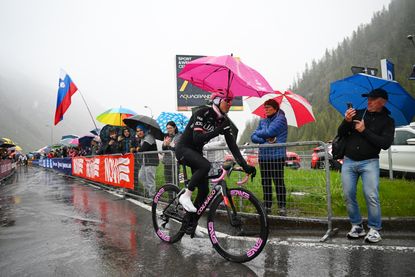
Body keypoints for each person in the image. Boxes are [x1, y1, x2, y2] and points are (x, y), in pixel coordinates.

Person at [175, 91, 256, 235]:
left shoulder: (223, 121)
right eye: (227, 100)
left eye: (231, 101)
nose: (230, 104)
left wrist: (245, 166)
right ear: (217, 101)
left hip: (196, 153)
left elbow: (233, 146)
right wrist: (218, 130)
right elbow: (197, 139)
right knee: (205, 165)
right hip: (183, 149)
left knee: (204, 191)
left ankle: (190, 222)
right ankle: (185, 196)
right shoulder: (202, 113)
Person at [338, 88, 394, 243]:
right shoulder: (358, 112)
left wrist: (364, 131)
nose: (369, 101)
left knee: (371, 195)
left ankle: (375, 229)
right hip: (349, 161)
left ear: (382, 102)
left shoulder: (388, 121)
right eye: (368, 98)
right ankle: (357, 226)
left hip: (370, 162)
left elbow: (385, 144)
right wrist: (347, 121)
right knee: (348, 195)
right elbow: (341, 133)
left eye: (373, 99)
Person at [251, 99, 288, 216]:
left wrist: (263, 135)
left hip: (277, 156)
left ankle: (282, 206)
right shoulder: (263, 121)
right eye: (264, 107)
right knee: (265, 182)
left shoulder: (281, 119)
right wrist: (265, 139)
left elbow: (270, 131)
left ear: (275, 108)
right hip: (264, 156)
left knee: (278, 181)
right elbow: (253, 136)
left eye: (268, 107)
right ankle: (267, 206)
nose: (265, 109)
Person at [135, 124, 159, 203]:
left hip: (151, 162)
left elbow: (142, 149)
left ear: (144, 130)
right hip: (145, 162)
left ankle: (152, 197)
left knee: (150, 180)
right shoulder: (142, 138)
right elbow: (139, 149)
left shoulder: (149, 137)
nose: (139, 133)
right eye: (137, 131)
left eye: (140, 131)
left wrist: (138, 149)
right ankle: (151, 193)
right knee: (141, 177)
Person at [162, 121, 182, 185]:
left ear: (175, 127)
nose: (168, 130)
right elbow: (164, 150)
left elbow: (177, 149)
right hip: (167, 161)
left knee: (175, 180)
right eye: (167, 128)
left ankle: (176, 194)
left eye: (170, 128)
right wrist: (164, 145)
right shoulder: (166, 136)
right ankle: (170, 194)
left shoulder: (179, 136)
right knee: (168, 180)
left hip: (175, 162)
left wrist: (169, 145)